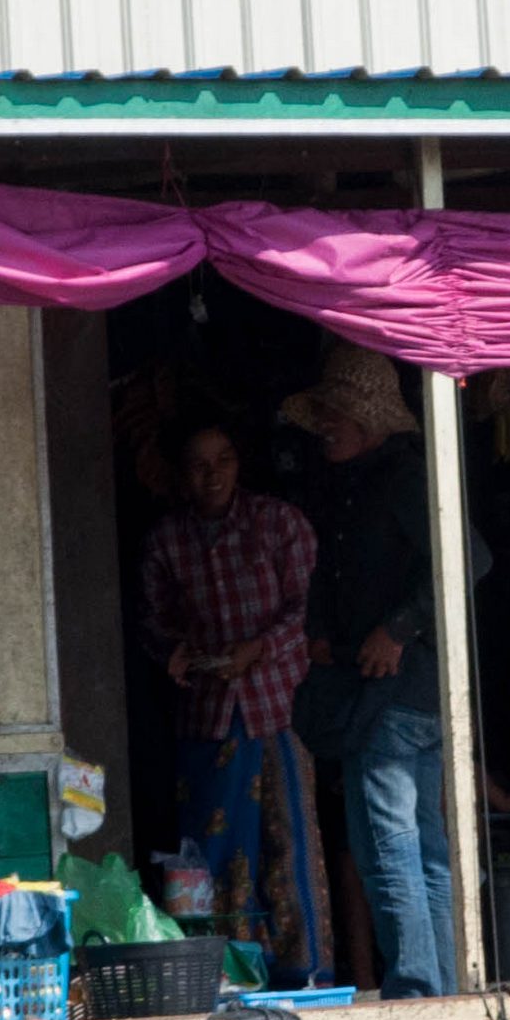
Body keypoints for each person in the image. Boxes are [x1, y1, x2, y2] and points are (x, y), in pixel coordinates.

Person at [286, 344, 458, 997]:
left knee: (390, 848)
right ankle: (438, 988)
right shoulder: (357, 484)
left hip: (399, 695)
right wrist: (332, 632)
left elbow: (466, 559)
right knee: (422, 852)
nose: (325, 423)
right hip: (392, 693)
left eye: (336, 413)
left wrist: (396, 628)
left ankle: (418, 991)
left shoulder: (402, 477)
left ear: (367, 418)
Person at [139, 417, 333, 986]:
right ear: (182, 474)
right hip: (206, 718)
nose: (212, 474)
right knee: (209, 854)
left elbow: (309, 610)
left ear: (238, 464)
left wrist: (259, 648)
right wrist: (171, 650)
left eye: (222, 460)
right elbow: (152, 620)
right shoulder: (167, 541)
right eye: (199, 464)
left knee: (286, 848)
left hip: (276, 708)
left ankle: (304, 976)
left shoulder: (278, 524)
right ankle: (222, 976)